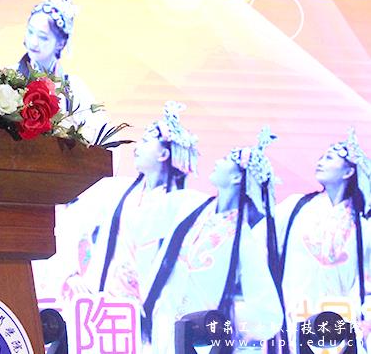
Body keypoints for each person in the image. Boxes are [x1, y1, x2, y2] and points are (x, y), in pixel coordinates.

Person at [141, 127, 283, 353]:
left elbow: (269, 313)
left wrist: (223, 317)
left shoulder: (242, 238)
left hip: (197, 339)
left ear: (236, 177)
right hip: (157, 326)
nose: (217, 161)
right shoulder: (189, 204)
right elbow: (138, 228)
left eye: (226, 159)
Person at [48, 101, 202, 301]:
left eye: (145, 140)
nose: (137, 147)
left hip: (159, 303)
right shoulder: (113, 190)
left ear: (164, 154)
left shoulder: (186, 204)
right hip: (106, 300)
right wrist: (72, 273)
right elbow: (72, 224)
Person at [276, 128, 371, 353]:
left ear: (349, 171)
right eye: (321, 157)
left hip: (342, 319)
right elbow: (263, 243)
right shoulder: (295, 207)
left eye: (329, 158)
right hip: (295, 312)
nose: (320, 162)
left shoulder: (363, 222)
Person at [16, 0, 107, 144]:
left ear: (60, 43)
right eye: (30, 32)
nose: (33, 42)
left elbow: (102, 138)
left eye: (42, 37)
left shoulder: (75, 89)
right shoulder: (9, 78)